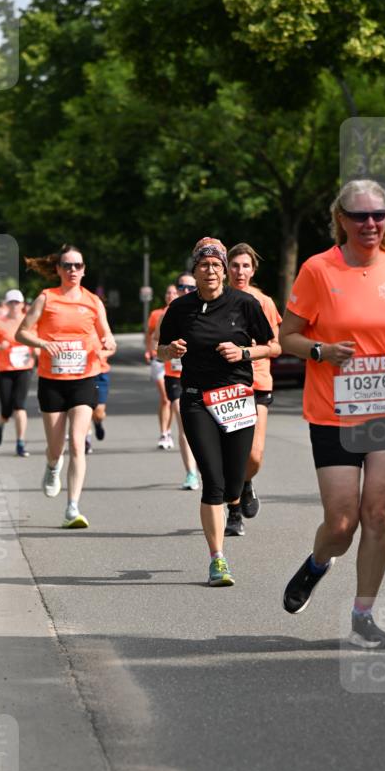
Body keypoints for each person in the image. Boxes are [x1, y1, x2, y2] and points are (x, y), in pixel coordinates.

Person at [278, 179, 385, 648]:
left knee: (378, 513)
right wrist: (320, 351)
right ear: (341, 219)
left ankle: (363, 617)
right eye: (360, 215)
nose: (370, 223)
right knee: (342, 525)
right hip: (334, 411)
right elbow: (287, 337)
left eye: (378, 215)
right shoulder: (318, 270)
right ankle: (318, 562)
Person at [158, 237, 278, 587]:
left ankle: (237, 499)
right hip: (196, 399)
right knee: (212, 481)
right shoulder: (180, 308)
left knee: (233, 480)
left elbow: (274, 346)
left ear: (223, 271)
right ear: (194, 270)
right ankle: (218, 559)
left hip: (236, 398)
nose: (210, 270)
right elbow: (160, 350)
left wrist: (244, 353)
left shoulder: (245, 304)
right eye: (203, 265)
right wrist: (170, 350)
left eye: (216, 265)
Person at [15, 243, 117, 528]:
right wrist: (43, 343)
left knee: (77, 442)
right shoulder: (46, 298)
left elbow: (109, 338)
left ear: (84, 270)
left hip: (85, 378)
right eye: (68, 265)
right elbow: (21, 333)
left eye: (78, 265)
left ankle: (72, 507)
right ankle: (52, 466)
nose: (73, 270)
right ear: (58, 269)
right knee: (56, 447)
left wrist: (108, 344)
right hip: (52, 381)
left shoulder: (93, 302)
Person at [226, 243, 282, 534]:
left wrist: (247, 351)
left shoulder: (264, 302)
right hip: (225, 384)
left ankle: (246, 482)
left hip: (257, 381)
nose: (240, 271)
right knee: (231, 452)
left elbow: (275, 347)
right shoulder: (216, 300)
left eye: (245, 266)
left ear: (253, 270)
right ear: (226, 269)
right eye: (235, 265)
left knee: (254, 455)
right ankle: (233, 512)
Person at [152, 309, 199, 492]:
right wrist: (167, 350)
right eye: (180, 288)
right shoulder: (168, 314)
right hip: (175, 377)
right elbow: (157, 342)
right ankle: (191, 473)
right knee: (183, 422)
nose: (183, 291)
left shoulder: (207, 310)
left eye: (189, 287)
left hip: (201, 376)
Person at [0, 289, 35, 457]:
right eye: (11, 302)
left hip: (24, 368)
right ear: (6, 304)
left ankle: (20, 443)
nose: (14, 305)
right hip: (5, 368)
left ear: (22, 304)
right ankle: (0, 425)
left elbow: (36, 339)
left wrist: (37, 350)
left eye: (17, 302)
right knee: (6, 410)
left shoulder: (30, 321)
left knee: (19, 405)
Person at [145, 285, 177, 450]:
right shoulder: (156, 314)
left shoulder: (185, 312)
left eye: (174, 292)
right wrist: (149, 350)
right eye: (168, 292)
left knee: (172, 400)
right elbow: (150, 334)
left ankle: (168, 431)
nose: (170, 295)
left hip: (175, 363)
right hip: (159, 360)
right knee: (165, 398)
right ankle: (164, 433)